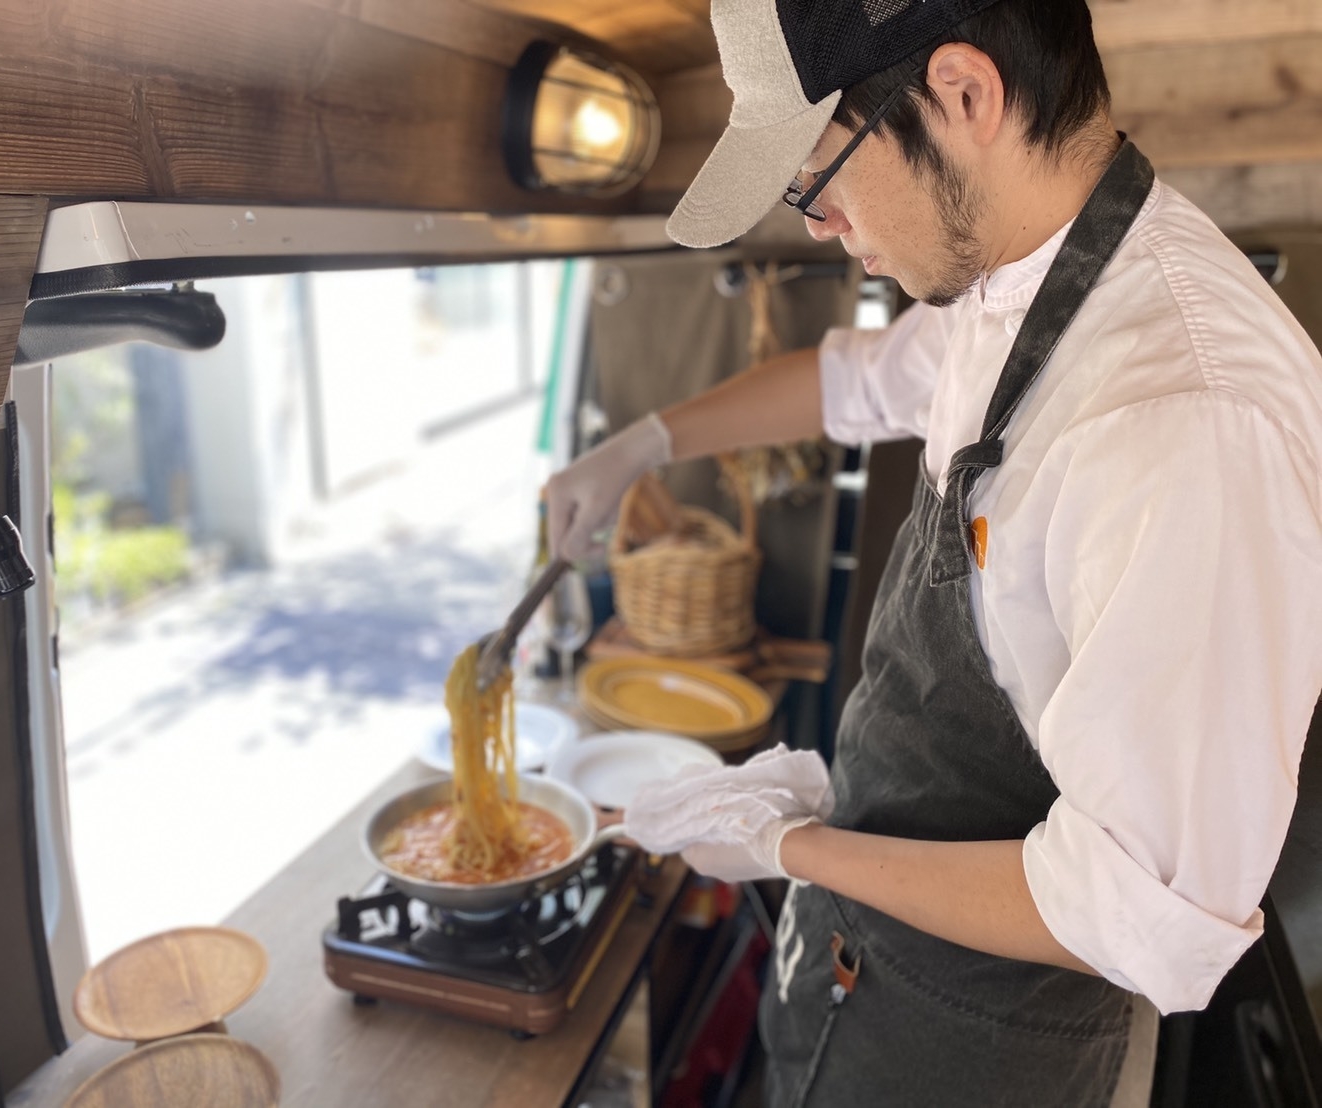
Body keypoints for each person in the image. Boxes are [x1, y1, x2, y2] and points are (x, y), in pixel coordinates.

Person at [545, 0, 1322, 1104]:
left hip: (980, 1047)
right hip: (863, 968)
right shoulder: (1018, 272)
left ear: (962, 93)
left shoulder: (1179, 418)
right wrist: (640, 445)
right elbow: (853, 381)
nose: (818, 224)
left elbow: (1141, 910)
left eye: (815, 177)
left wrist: (787, 846)